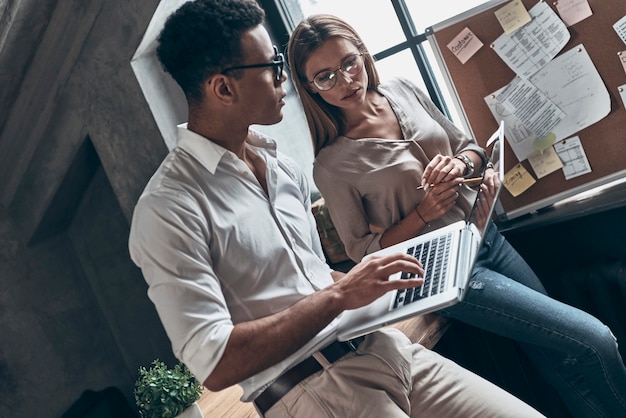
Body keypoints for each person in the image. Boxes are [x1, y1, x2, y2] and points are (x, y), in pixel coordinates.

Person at [127, 1, 547, 417]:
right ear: (223, 88)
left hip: (384, 348)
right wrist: (343, 292)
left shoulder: (281, 168)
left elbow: (316, 277)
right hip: (314, 391)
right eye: (271, 66)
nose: (283, 79)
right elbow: (216, 363)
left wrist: (401, 284)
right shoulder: (169, 208)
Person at [287, 13, 626, 418]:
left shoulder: (403, 88)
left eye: (348, 63)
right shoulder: (330, 165)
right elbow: (363, 253)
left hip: (489, 239)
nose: (344, 81)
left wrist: (460, 165)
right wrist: (422, 214)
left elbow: (471, 148)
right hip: (445, 274)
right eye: (325, 77)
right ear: (309, 88)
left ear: (362, 55)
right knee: (595, 339)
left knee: (559, 360)